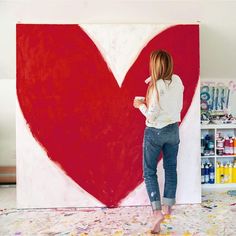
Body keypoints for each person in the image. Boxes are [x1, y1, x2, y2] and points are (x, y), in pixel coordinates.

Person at [133, 50, 184, 234]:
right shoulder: (177, 81)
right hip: (173, 130)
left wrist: (141, 105)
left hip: (155, 131)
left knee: (149, 171)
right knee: (170, 168)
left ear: (154, 66)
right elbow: (173, 100)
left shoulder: (155, 87)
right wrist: (152, 83)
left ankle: (156, 211)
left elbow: (151, 117)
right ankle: (168, 205)